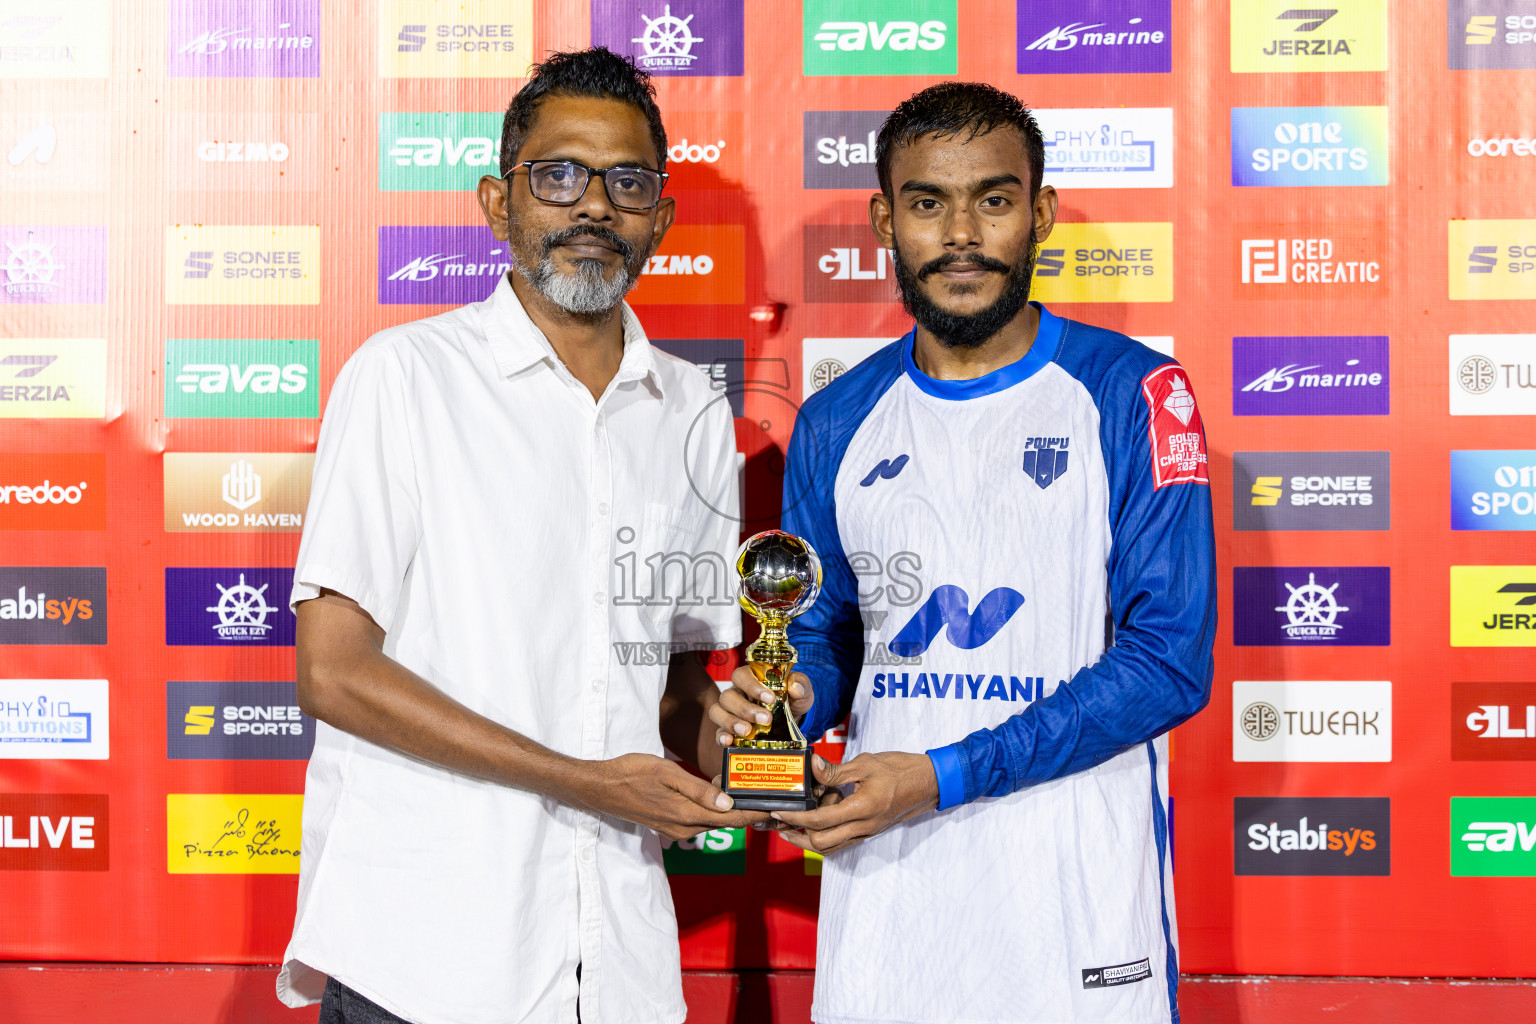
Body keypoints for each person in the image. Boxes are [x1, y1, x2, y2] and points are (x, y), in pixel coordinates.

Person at [710, 82, 1216, 1024]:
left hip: (1073, 900)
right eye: (927, 202)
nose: (962, 235)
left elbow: (1168, 666)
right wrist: (789, 695)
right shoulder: (833, 421)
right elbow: (823, 635)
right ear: (884, 219)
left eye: (994, 198)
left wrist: (938, 776)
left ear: (1042, 212)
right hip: (891, 901)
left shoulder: (1136, 392)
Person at [277, 47, 763, 1024]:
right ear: (500, 202)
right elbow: (335, 672)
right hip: (426, 956)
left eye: (626, 182)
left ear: (660, 219)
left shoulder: (693, 415)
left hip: (614, 966)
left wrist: (735, 729)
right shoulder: (405, 378)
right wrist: (583, 782)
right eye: (559, 176)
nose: (593, 207)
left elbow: (666, 693)